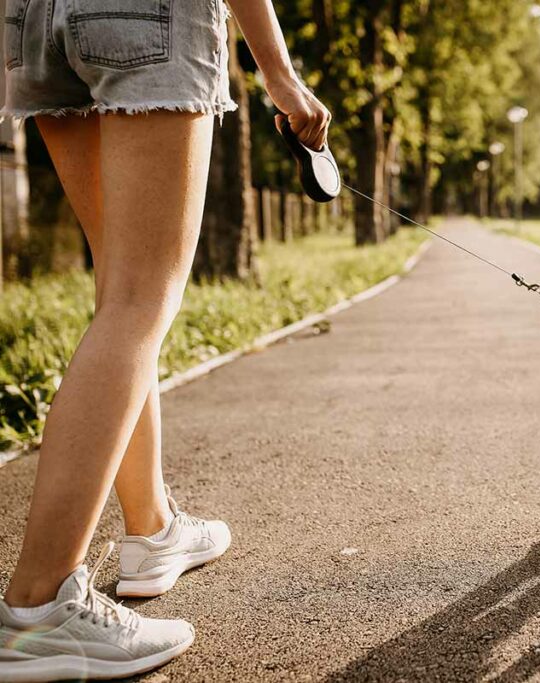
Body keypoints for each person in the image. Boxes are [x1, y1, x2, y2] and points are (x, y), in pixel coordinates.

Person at [0, 0, 329, 679]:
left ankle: (151, 528)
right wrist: (280, 73)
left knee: (119, 293)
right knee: (139, 302)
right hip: (142, 18)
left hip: (32, 18)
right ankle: (38, 606)